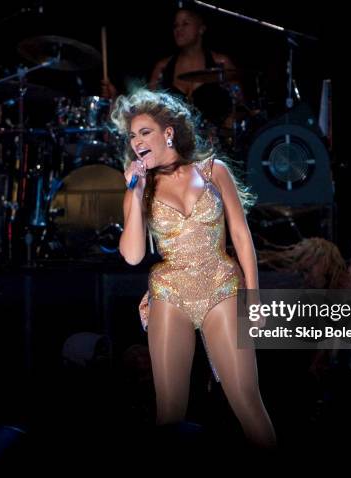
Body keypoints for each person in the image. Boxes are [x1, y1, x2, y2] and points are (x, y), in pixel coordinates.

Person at [111, 88, 276, 449]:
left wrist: (255, 297)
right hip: (170, 292)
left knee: (247, 401)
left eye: (144, 132)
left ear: (168, 132)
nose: (137, 142)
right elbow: (134, 255)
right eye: (131, 136)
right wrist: (135, 194)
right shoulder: (140, 188)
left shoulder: (213, 170)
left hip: (221, 284)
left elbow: (241, 237)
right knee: (169, 414)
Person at [102, 7, 241, 129]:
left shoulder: (221, 63)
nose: (178, 29)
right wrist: (115, 98)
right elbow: (147, 110)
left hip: (215, 144)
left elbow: (241, 106)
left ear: (201, 29)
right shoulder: (162, 67)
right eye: (175, 25)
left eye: (185, 24)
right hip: (175, 145)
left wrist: (231, 121)